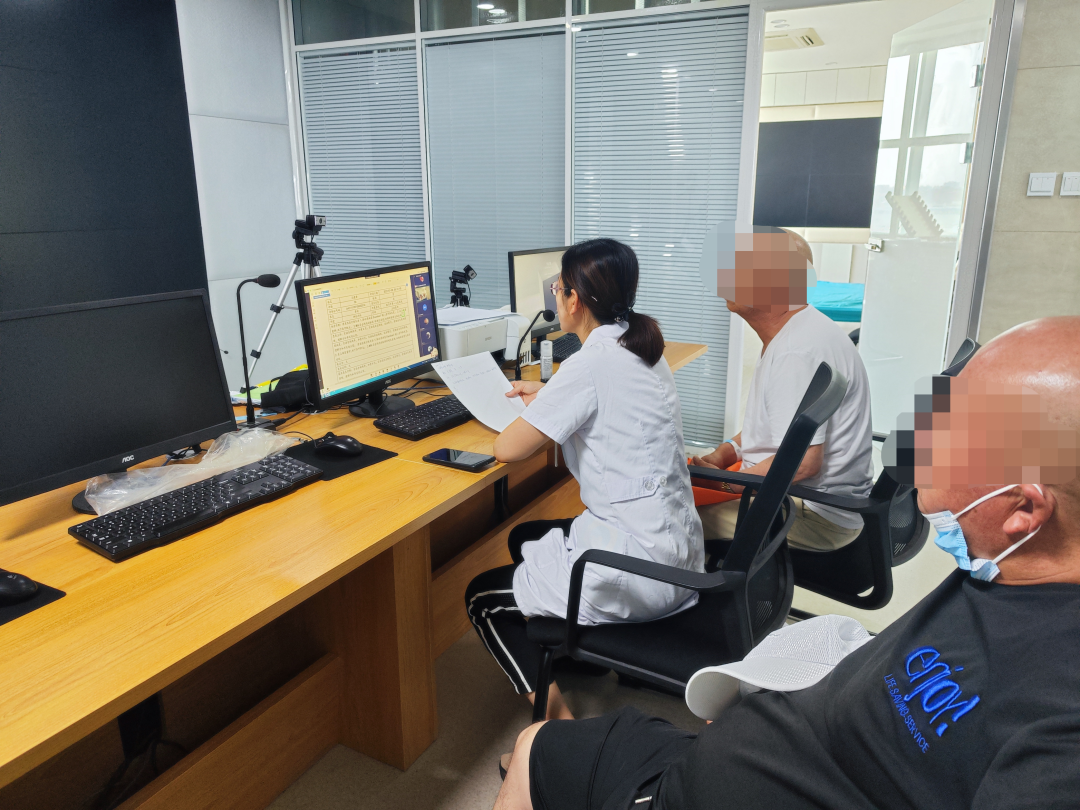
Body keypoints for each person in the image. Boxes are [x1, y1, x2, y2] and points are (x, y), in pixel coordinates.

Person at [494, 316, 1080, 810]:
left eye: (954, 432)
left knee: (533, 748)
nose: (920, 442)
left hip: (706, 783)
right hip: (741, 747)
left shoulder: (1057, 728)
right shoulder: (998, 572)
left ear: (1023, 508)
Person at [465, 239, 704, 723]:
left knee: (481, 597)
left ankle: (557, 729)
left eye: (558, 288)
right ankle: (582, 653)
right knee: (523, 536)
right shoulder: (640, 346)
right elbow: (604, 397)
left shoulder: (589, 365)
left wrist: (548, 399)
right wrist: (551, 393)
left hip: (641, 569)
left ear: (575, 300)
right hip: (676, 549)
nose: (555, 297)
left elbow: (507, 449)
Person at [693, 226, 873, 551]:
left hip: (813, 515)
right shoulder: (799, 331)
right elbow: (778, 427)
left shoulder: (795, 354)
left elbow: (804, 463)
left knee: (671, 521)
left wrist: (726, 485)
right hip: (816, 502)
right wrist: (726, 453)